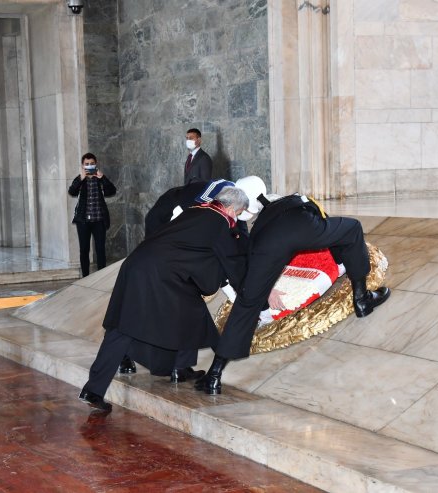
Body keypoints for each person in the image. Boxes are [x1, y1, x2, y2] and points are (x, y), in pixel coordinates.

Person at [195, 193, 391, 395]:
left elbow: (248, 266)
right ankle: (362, 300)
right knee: (352, 228)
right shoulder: (296, 200)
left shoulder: (258, 225)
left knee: (247, 303)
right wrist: (340, 259)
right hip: (302, 226)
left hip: (267, 243)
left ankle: (214, 375)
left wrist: (262, 289)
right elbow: (330, 229)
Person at [78, 187, 250, 412]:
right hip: (159, 275)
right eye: (237, 213)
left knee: (124, 328)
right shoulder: (219, 222)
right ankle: (192, 368)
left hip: (137, 265)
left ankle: (94, 389)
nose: (236, 219)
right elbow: (232, 262)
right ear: (229, 208)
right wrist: (253, 295)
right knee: (187, 312)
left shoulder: (197, 210)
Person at [68, 153, 117, 277]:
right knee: (84, 250)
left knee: (100, 249)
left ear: (96, 164)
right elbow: (71, 191)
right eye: (87, 164)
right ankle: (85, 276)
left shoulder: (100, 179)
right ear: (83, 166)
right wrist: (81, 178)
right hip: (83, 221)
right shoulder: (80, 179)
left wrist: (103, 178)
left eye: (92, 164)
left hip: (99, 220)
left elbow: (112, 191)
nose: (89, 166)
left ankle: (101, 276)